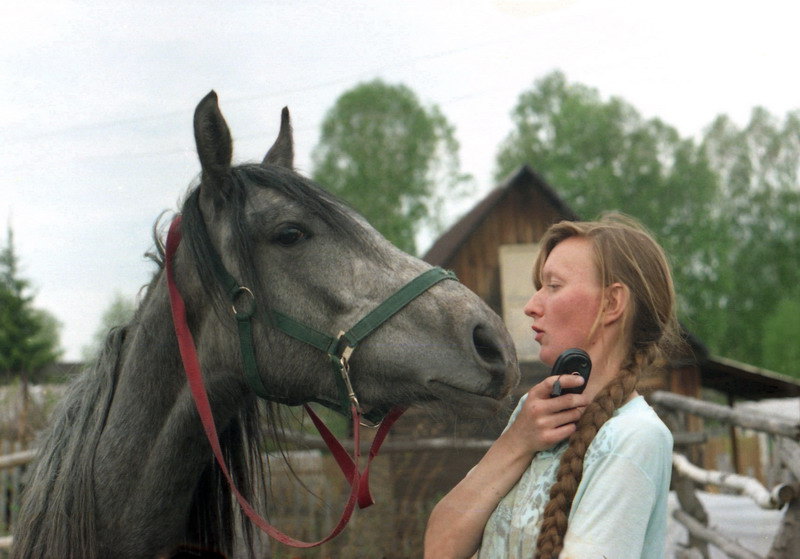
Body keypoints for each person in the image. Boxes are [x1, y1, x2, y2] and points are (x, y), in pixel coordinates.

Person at [424, 213, 681, 559]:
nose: (531, 306)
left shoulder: (634, 437)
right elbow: (439, 549)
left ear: (612, 303)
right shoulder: (534, 419)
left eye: (554, 286)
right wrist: (516, 441)